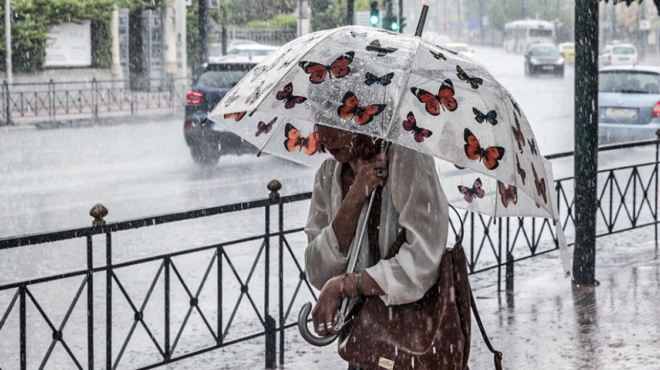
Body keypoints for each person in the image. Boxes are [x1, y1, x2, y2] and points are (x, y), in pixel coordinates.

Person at [303, 125, 449, 366]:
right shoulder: (329, 174)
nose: (325, 137)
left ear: (364, 115)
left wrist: (346, 285)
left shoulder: (407, 156)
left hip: (414, 339)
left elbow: (423, 259)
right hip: (363, 341)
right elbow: (318, 270)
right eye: (320, 121)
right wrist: (355, 195)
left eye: (336, 119)